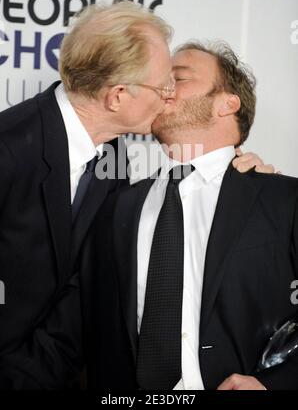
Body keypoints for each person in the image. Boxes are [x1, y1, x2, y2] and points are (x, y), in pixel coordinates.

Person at [81, 40, 298, 390]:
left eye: (177, 78)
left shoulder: (285, 200)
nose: (162, 88)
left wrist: (275, 384)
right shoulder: (115, 207)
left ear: (226, 104)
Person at [0, 0, 176, 389]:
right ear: (116, 96)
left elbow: (90, 276)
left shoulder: (113, 153)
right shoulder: (8, 149)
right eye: (163, 84)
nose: (171, 95)